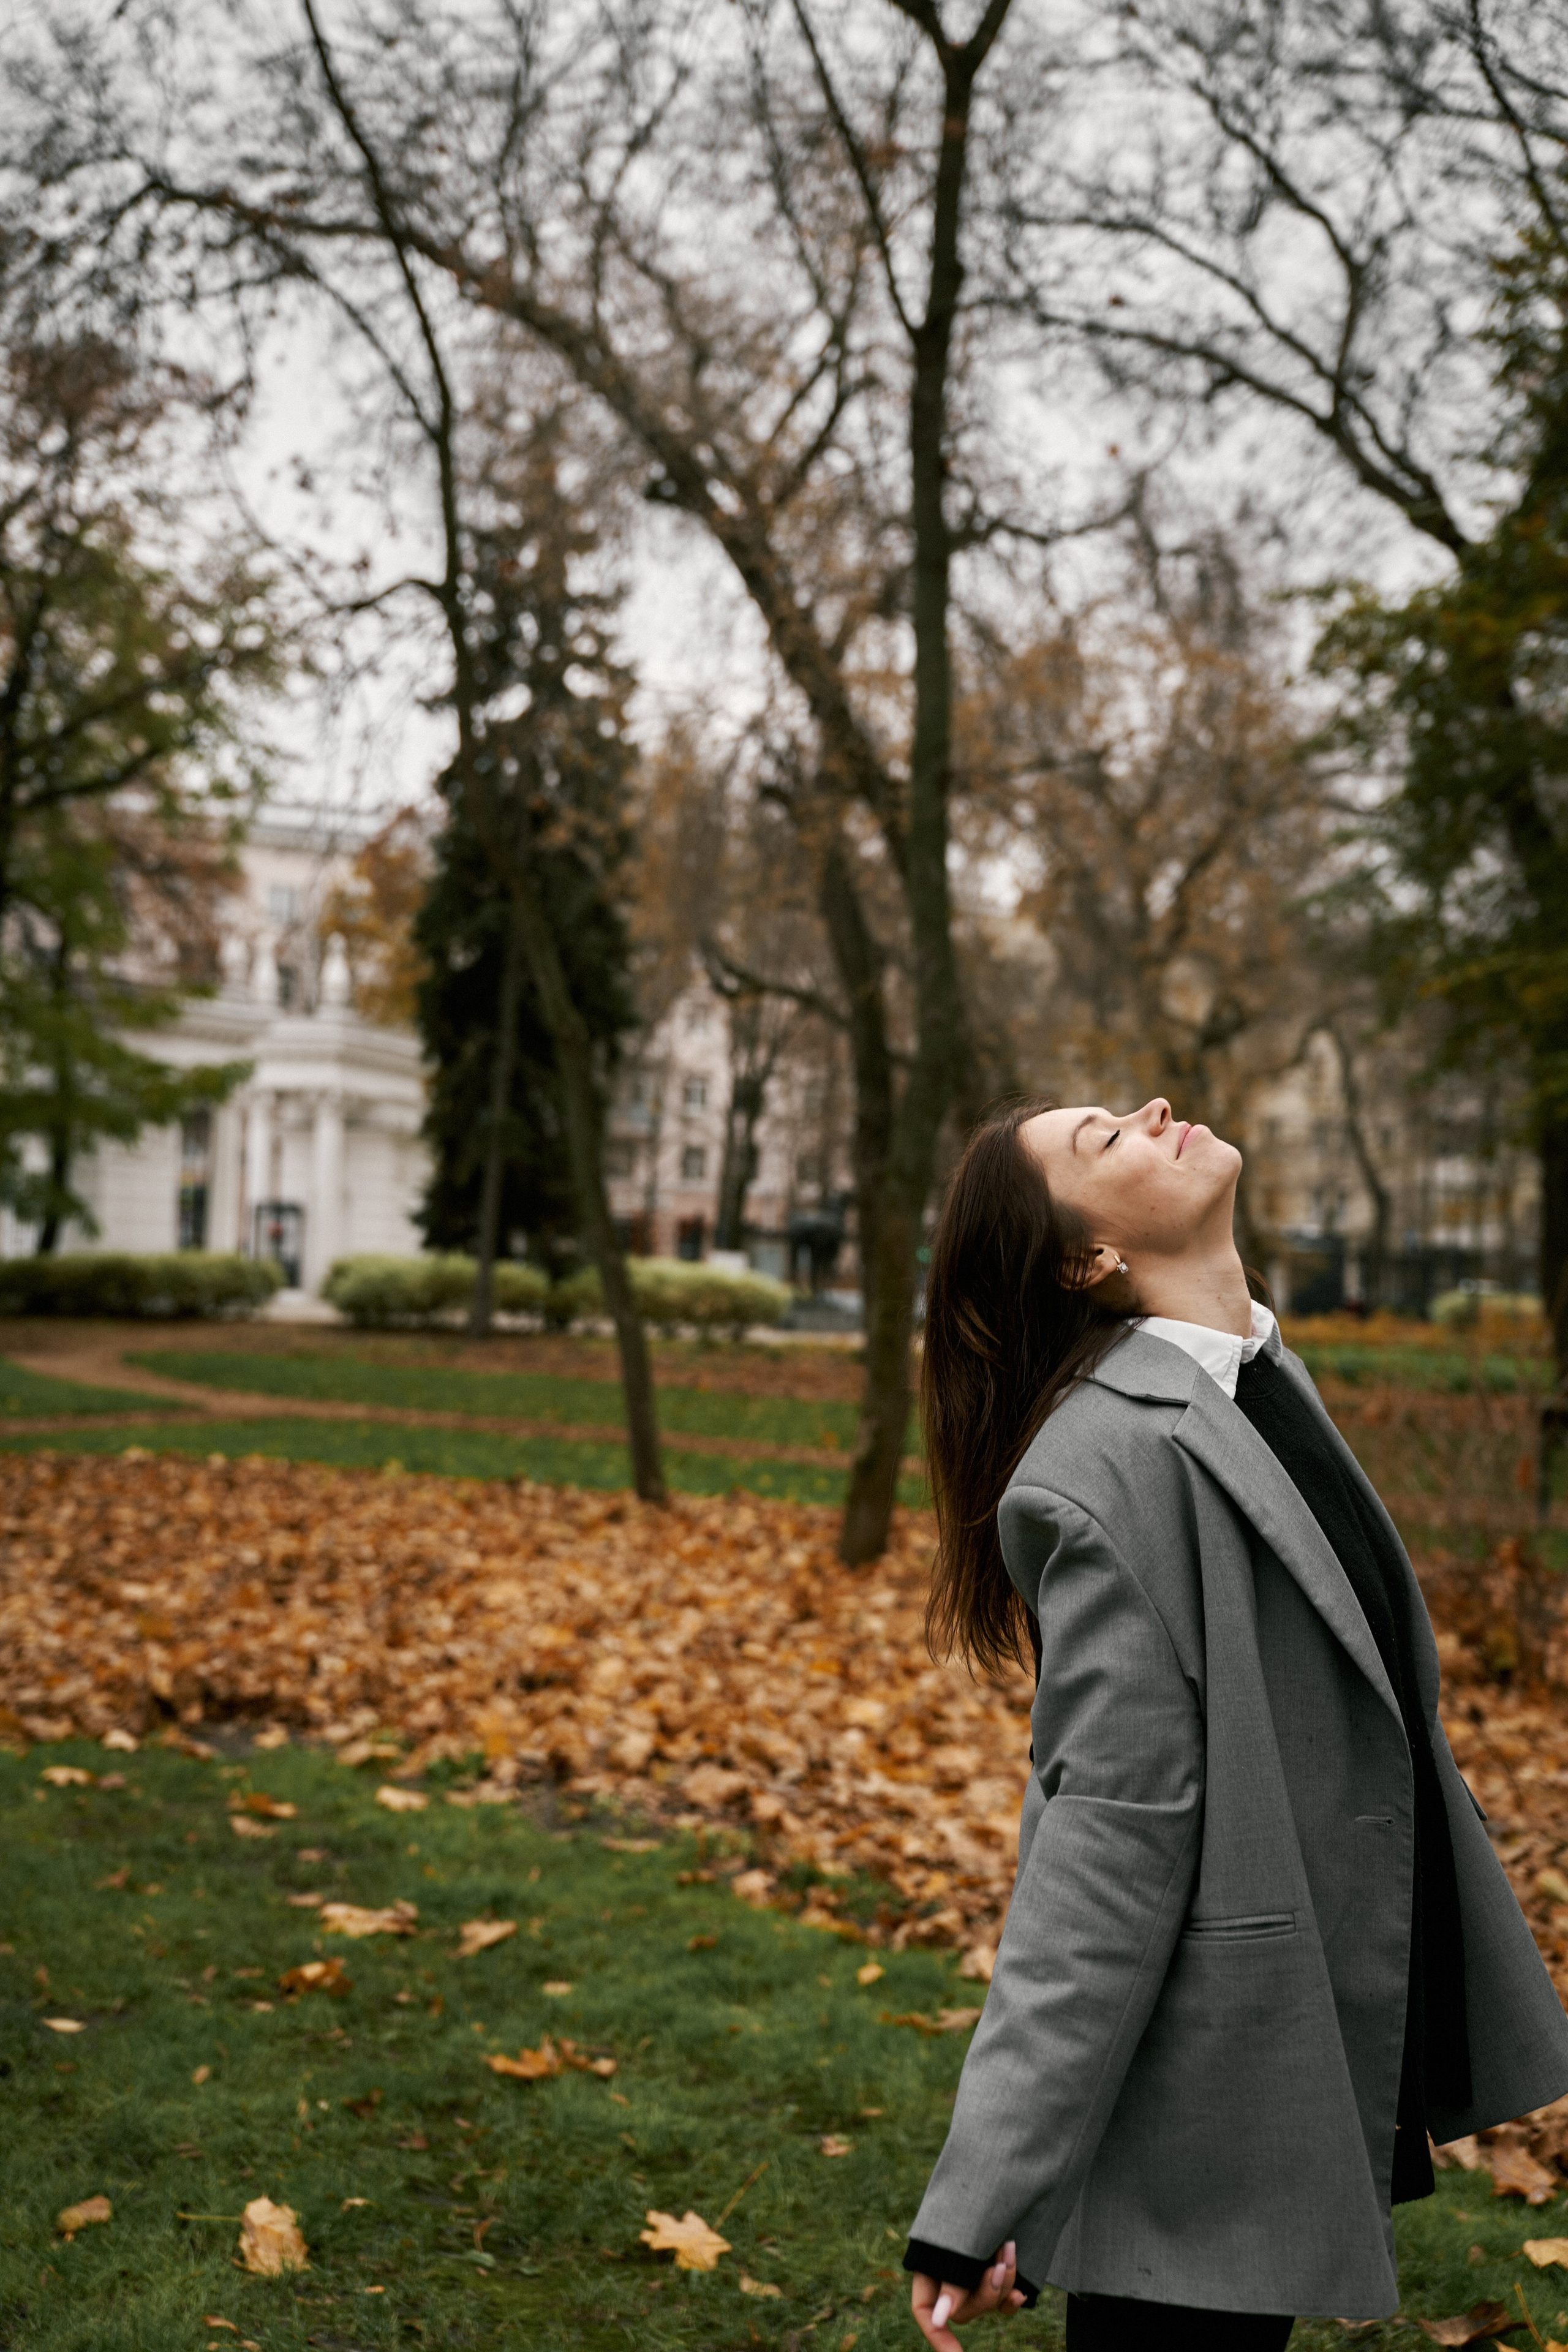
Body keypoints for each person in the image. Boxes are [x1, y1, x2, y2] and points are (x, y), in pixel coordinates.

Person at [904, 1096, 1568, 2352]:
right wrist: (980, 2194)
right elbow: (1103, 1837)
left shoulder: (1252, 1378)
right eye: (1104, 1139)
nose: (1152, 1110)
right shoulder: (1098, 1473)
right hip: (1209, 2070)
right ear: (1085, 1259)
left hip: (1305, 2003)